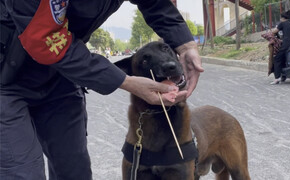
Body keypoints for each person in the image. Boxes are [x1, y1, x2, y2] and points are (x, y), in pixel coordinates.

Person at [0, 0, 204, 179]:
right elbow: (44, 37)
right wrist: (126, 81)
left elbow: (154, 3)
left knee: (74, 170)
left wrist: (185, 44)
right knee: (23, 172)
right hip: (5, 81)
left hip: (61, 76)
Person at [271, 10, 290, 84]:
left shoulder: (282, 23)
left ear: (282, 18)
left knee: (277, 58)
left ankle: (277, 78)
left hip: (287, 44)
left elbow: (274, 31)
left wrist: (271, 31)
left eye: (280, 18)